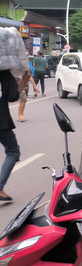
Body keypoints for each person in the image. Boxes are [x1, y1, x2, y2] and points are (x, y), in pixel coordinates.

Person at [0, 70, 22, 201]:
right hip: (1, 122)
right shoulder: (4, 74)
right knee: (13, 152)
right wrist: (23, 81)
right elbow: (13, 97)